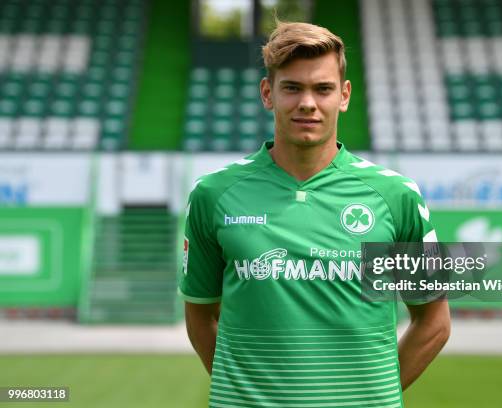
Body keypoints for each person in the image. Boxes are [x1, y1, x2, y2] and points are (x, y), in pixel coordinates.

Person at [179, 21, 451, 407]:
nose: (308, 102)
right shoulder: (214, 194)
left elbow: (433, 323)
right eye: (292, 87)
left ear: (344, 95)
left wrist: (370, 398)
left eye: (322, 89)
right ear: (267, 93)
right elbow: (201, 317)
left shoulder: (396, 196)